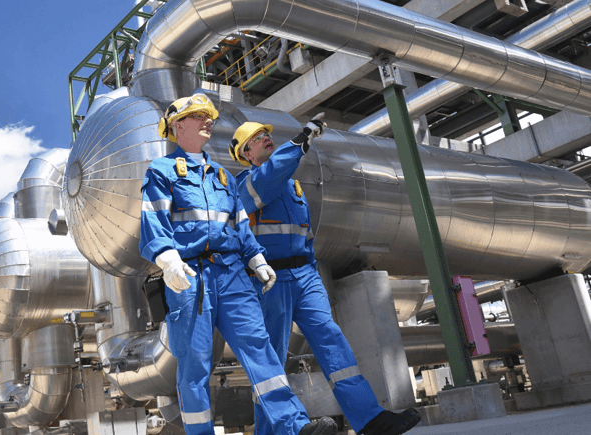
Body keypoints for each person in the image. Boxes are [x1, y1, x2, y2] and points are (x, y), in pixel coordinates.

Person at [139, 93, 337, 435]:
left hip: (232, 274)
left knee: (259, 347)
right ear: (177, 126)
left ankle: (294, 426)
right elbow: (154, 219)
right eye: (199, 116)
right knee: (195, 364)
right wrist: (168, 258)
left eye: (208, 115)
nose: (207, 121)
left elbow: (240, 224)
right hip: (190, 275)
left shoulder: (223, 176)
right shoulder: (162, 171)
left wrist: (257, 258)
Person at [229, 118, 422, 435]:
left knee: (332, 341)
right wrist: (301, 140)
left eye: (267, 134)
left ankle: (369, 418)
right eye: (257, 137)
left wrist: (310, 266)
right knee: (270, 359)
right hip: (269, 279)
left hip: (305, 275)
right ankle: (284, 429)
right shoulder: (246, 185)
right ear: (246, 153)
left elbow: (303, 233)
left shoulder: (293, 186)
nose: (266, 138)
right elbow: (271, 175)